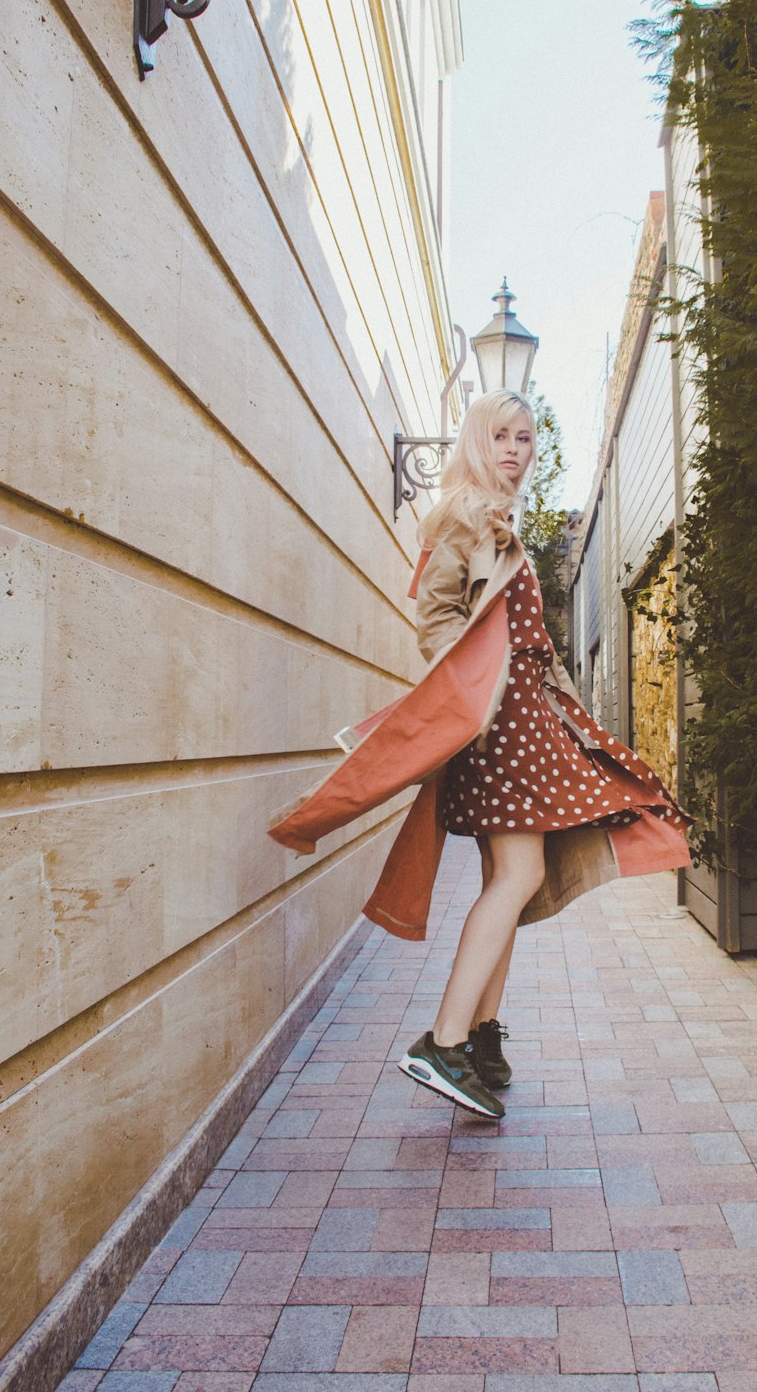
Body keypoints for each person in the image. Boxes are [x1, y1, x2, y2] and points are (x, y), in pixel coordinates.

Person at [269, 389, 690, 1121]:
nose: (516, 449)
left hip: (528, 718)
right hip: (499, 725)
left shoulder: (499, 519)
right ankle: (444, 1041)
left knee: (511, 876)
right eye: (501, 435)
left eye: (526, 437)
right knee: (522, 872)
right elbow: (435, 617)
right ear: (473, 440)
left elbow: (529, 641)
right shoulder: (463, 514)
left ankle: (482, 1039)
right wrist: (473, 704)